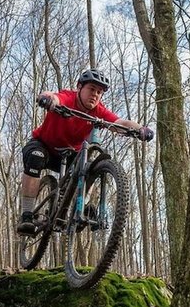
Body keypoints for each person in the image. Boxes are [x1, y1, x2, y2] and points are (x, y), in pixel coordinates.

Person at [18, 68, 154, 235]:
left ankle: (79, 208)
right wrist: (46, 98)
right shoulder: (68, 98)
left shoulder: (98, 111)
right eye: (91, 89)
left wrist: (140, 129)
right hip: (44, 145)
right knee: (35, 157)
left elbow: (120, 122)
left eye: (99, 92)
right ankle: (27, 215)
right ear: (80, 87)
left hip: (69, 155)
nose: (95, 95)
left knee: (87, 167)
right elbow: (54, 97)